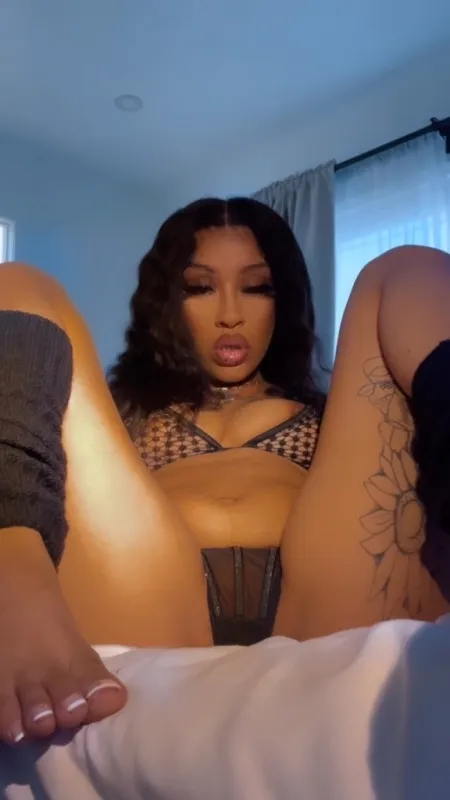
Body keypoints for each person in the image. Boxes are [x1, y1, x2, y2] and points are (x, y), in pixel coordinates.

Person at [0, 197, 449, 747]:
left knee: (407, 268)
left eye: (257, 287)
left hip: (324, 602)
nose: (230, 314)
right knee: (18, 284)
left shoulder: (341, 416)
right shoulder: (120, 420)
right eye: (200, 288)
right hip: (149, 603)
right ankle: (12, 587)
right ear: (167, 302)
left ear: (284, 300)